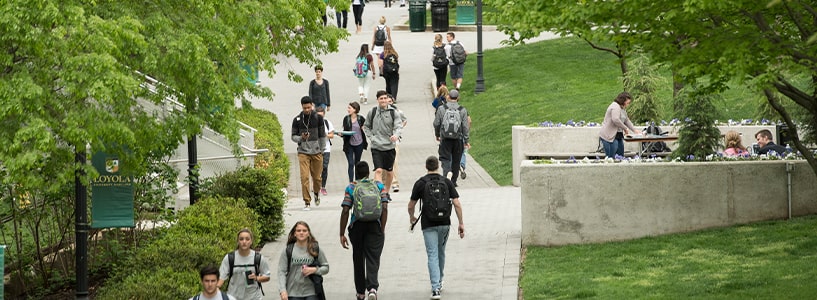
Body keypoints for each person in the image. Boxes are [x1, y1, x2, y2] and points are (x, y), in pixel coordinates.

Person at [408, 156, 464, 300]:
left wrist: (412, 217)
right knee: (441, 252)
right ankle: (440, 280)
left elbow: (411, 205)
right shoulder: (446, 181)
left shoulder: (420, 183)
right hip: (445, 223)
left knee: (432, 254)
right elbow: (457, 203)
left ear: (426, 166)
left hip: (428, 224)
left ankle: (435, 289)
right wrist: (461, 223)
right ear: (438, 166)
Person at [339, 161, 390, 300]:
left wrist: (341, 233)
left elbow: (345, 210)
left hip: (357, 226)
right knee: (373, 257)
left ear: (356, 173)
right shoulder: (379, 186)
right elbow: (385, 207)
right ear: (369, 173)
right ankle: (372, 288)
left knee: (358, 257)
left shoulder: (351, 187)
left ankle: (360, 292)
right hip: (375, 225)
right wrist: (382, 228)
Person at [363, 90, 403, 197]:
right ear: (377, 100)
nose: (383, 100)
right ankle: (380, 193)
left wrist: (395, 135)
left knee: (389, 172)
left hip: (389, 146)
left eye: (385, 98)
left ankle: (386, 191)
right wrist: (372, 138)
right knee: (378, 170)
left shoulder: (393, 112)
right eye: (381, 99)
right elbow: (366, 126)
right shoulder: (372, 112)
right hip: (376, 146)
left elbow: (398, 126)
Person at [277, 221, 330, 300]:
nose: (301, 233)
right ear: (294, 234)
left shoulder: (315, 249)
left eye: (304, 231)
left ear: (308, 233)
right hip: (293, 292)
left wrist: (315, 270)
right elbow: (281, 271)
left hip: (312, 291)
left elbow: (326, 267)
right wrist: (282, 290)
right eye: (298, 231)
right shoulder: (288, 250)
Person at [291, 96, 326, 210]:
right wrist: (301, 138)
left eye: (309, 107)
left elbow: (322, 135)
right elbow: (293, 136)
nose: (307, 110)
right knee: (304, 177)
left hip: (316, 151)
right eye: (305, 108)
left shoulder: (318, 118)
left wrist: (322, 149)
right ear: (302, 106)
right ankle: (307, 202)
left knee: (317, 178)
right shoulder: (297, 119)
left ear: (312, 105)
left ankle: (316, 193)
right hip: (303, 152)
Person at [218, 229, 272, 300]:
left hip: (253, 297)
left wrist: (256, 278)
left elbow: (267, 276)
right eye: (241, 239)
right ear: (238, 241)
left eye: (247, 239)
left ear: (251, 241)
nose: (244, 242)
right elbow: (221, 278)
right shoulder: (230, 258)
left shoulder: (258, 258)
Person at [433, 89, 470, 187]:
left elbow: (436, 123)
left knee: (445, 158)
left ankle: (447, 175)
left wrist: (437, 134)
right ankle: (453, 181)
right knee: (456, 159)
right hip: (458, 139)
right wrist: (466, 140)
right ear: (458, 98)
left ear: (448, 97)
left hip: (445, 138)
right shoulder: (462, 110)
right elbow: (465, 127)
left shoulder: (442, 108)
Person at [598, 92, 640, 158]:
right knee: (611, 157)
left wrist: (634, 130)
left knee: (620, 155)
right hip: (609, 136)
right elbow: (615, 119)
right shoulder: (615, 107)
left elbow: (626, 120)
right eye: (628, 103)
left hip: (618, 135)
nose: (628, 105)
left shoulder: (622, 108)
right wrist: (625, 128)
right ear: (623, 101)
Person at [343, 102, 369, 183]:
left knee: (357, 163)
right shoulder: (346, 119)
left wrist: (364, 128)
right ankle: (351, 182)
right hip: (349, 144)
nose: (348, 110)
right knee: (351, 163)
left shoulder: (360, 118)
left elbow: (367, 127)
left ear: (355, 109)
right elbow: (345, 130)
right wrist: (342, 134)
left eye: (350, 108)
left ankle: (357, 181)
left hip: (359, 143)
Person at [387, 94, 407, 193]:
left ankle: (394, 183)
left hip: (395, 141)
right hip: (383, 141)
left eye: (390, 101)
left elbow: (405, 120)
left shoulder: (398, 112)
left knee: (394, 161)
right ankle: (382, 183)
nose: (389, 103)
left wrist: (399, 128)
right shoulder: (379, 112)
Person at [316, 106, 334, 196]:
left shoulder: (327, 123)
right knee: (316, 168)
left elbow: (332, 134)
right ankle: (316, 185)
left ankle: (323, 187)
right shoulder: (312, 123)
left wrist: (325, 135)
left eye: (321, 116)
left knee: (324, 167)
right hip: (315, 148)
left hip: (326, 148)